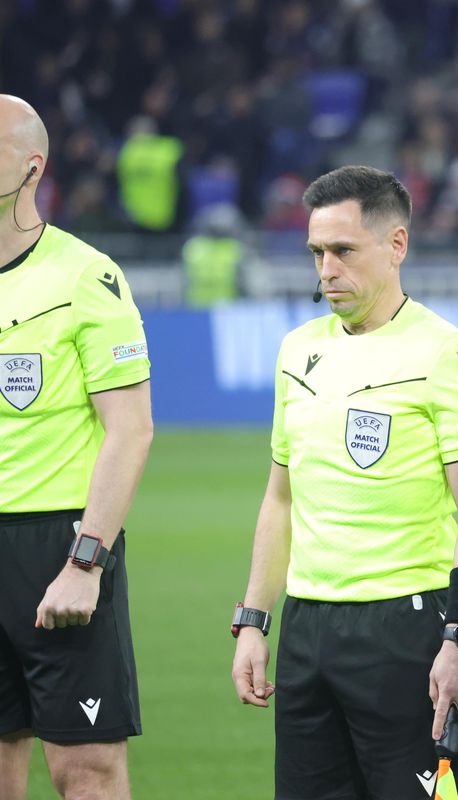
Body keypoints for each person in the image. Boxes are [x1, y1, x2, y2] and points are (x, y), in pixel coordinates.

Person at [230, 166, 458, 800]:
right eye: (317, 253)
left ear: (397, 245)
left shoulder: (444, 354)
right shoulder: (297, 350)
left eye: (344, 251)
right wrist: (254, 620)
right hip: (307, 630)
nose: (326, 269)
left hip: (406, 631)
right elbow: (281, 497)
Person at [0, 95, 154, 800]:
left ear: (32, 167)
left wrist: (87, 560)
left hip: (54, 542)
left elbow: (131, 428)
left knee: (83, 770)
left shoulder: (84, 277)